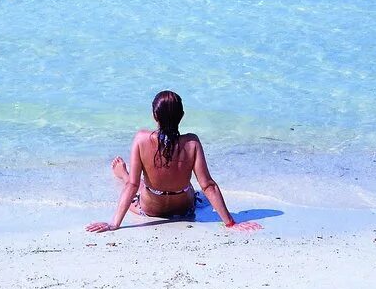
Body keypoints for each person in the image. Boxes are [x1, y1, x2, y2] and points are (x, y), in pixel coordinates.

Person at [87, 90, 259, 233]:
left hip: (149, 209)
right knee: (195, 190)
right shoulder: (192, 143)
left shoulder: (141, 139)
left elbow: (132, 186)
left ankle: (124, 174)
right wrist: (231, 223)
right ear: (182, 116)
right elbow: (208, 186)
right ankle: (133, 176)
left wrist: (114, 224)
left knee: (137, 183)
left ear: (155, 115)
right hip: (184, 209)